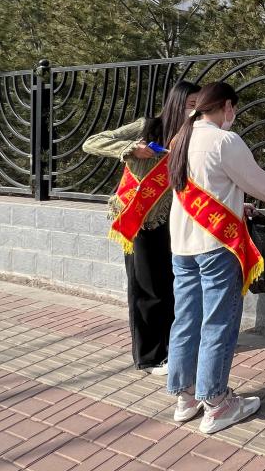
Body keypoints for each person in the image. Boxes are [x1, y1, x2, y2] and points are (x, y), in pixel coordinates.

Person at [165, 81, 265, 435]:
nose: (234, 115)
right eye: (233, 109)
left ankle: (185, 397)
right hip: (216, 246)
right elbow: (258, 182)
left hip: (182, 245)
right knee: (218, 323)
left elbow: (211, 187)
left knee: (186, 320)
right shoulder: (224, 140)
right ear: (226, 106)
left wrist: (239, 205)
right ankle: (217, 403)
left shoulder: (180, 138)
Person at [83, 80, 201, 375]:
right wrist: (131, 148)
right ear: (177, 103)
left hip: (175, 219)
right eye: (191, 105)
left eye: (199, 106)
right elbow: (92, 141)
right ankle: (149, 356)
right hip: (140, 219)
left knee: (172, 286)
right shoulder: (148, 127)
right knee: (147, 289)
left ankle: (173, 349)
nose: (195, 111)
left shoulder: (194, 135)